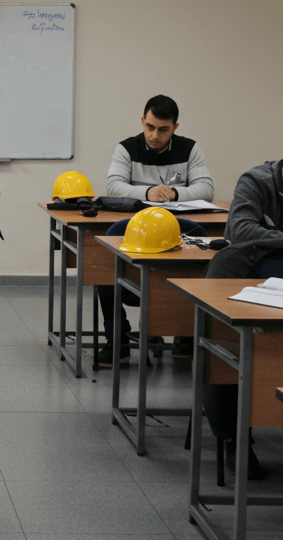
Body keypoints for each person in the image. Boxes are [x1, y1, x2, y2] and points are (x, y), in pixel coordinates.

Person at [97, 94, 214, 367]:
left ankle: (186, 338)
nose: (154, 135)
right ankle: (119, 341)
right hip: (137, 233)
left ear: (175, 127)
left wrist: (174, 192)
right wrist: (148, 191)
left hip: (175, 236)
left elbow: (206, 188)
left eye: (163, 129)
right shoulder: (127, 148)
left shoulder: (189, 149)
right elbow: (113, 186)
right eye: (149, 127)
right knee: (101, 266)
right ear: (142, 121)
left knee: (196, 268)